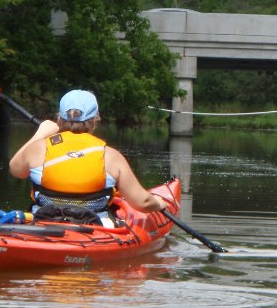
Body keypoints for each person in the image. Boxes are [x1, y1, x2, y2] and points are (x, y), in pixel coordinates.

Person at [9, 89, 167, 216]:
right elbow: (143, 202)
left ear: (59, 118)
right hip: (93, 229)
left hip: (43, 223)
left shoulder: (39, 148)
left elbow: (15, 169)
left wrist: (40, 133)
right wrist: (159, 203)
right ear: (95, 119)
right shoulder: (110, 156)